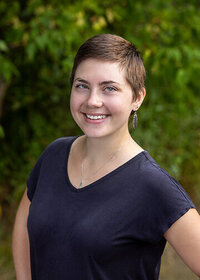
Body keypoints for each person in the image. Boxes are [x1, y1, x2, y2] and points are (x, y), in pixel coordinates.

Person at [12, 34, 200, 280]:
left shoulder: (154, 186)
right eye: (82, 85)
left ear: (137, 98)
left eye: (109, 88)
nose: (92, 101)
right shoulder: (54, 155)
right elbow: (23, 231)